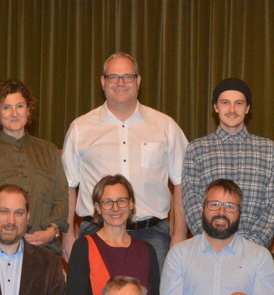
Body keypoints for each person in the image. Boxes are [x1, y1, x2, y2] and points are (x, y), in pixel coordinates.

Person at [61, 51, 189, 266]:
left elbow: (182, 182)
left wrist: (179, 235)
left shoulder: (165, 126)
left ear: (138, 81)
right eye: (113, 77)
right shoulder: (80, 128)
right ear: (103, 82)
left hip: (153, 236)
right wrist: (67, 237)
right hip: (95, 233)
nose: (121, 83)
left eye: (128, 77)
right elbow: (67, 186)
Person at [181, 78, 274, 247]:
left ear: (248, 108)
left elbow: (272, 206)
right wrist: (211, 242)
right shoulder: (197, 149)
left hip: (254, 251)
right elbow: (191, 202)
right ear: (216, 107)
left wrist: (251, 247)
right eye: (225, 102)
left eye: (239, 103)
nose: (232, 109)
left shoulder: (269, 150)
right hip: (208, 249)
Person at [66, 174, 162, 295]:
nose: (115, 208)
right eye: (107, 202)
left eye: (121, 201)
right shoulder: (84, 246)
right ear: (97, 208)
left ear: (131, 204)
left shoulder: (147, 250)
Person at [0, 79, 68, 255]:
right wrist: (9, 237)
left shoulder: (49, 150)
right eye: (6, 107)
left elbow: (61, 198)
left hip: (45, 250)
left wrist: (52, 231)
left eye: (20, 106)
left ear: (29, 110)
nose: (14, 113)